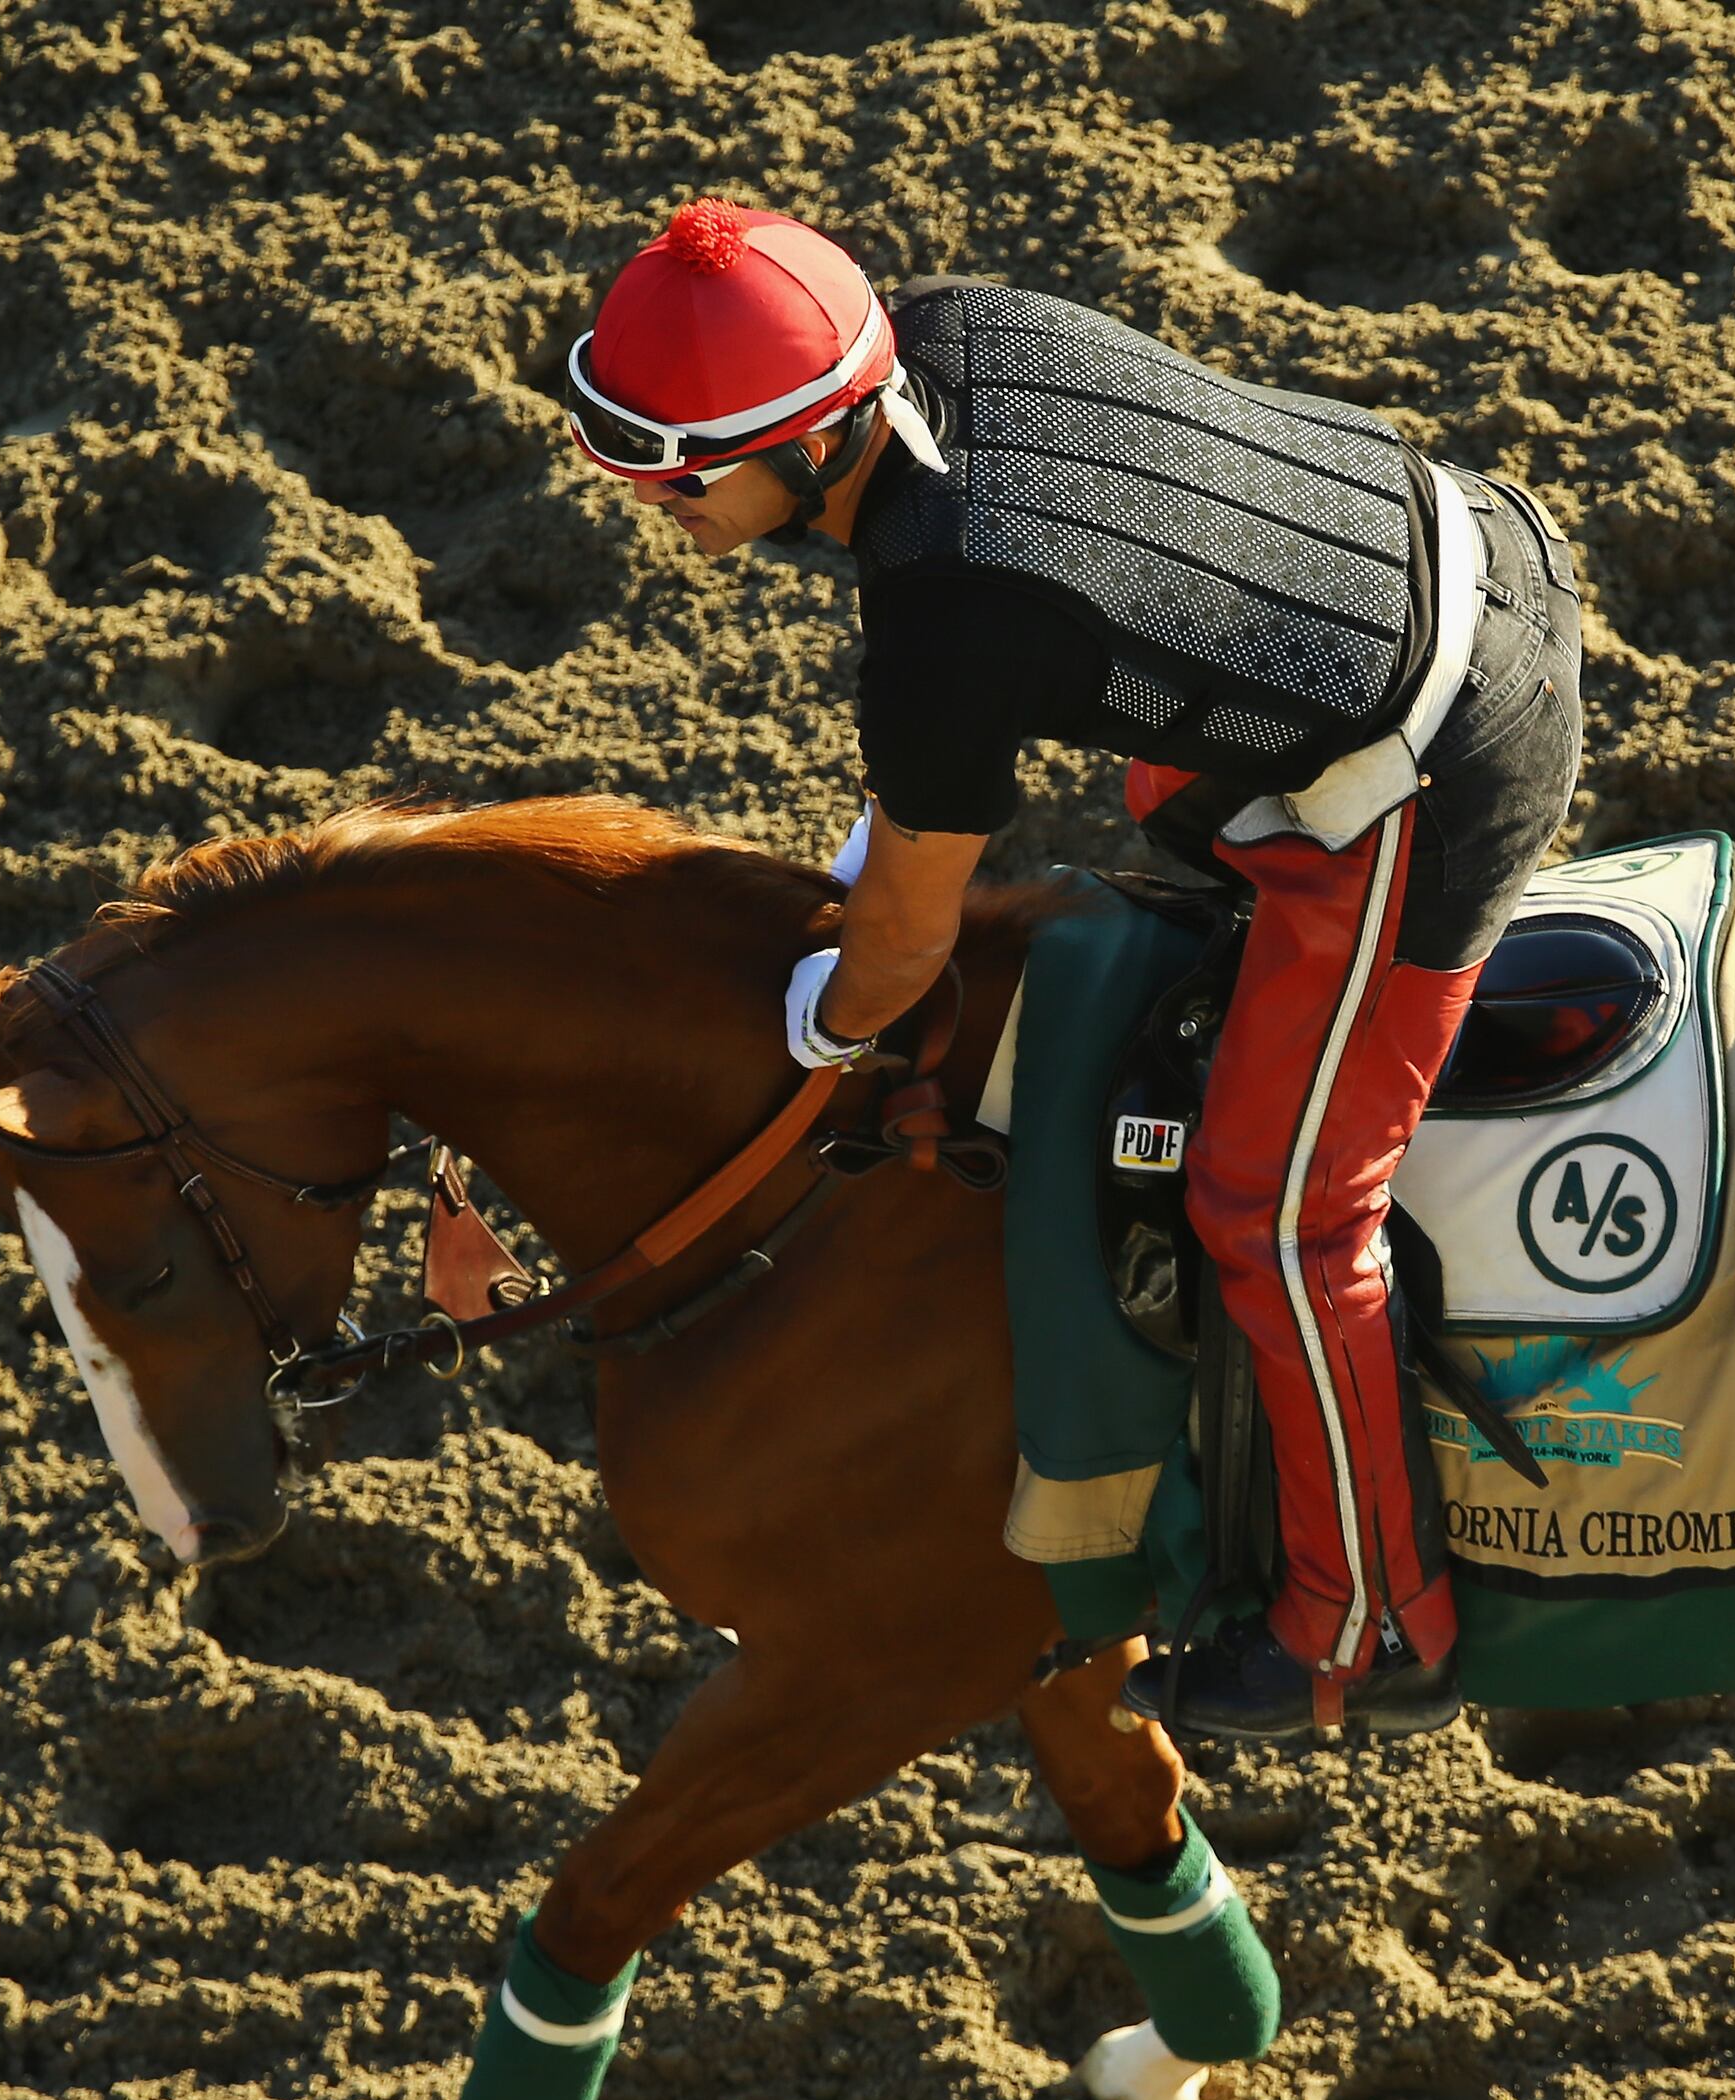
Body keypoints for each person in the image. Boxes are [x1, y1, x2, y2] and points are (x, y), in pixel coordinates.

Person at [558, 201, 1587, 1735]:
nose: (658, 505)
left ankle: (1372, 1628)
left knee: (1277, 1212)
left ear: (817, 441)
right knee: (1158, 776)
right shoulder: (950, 325)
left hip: (1454, 755)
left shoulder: (948, 618)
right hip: (1461, 533)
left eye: (685, 473)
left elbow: (897, 949)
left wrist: (821, 1022)